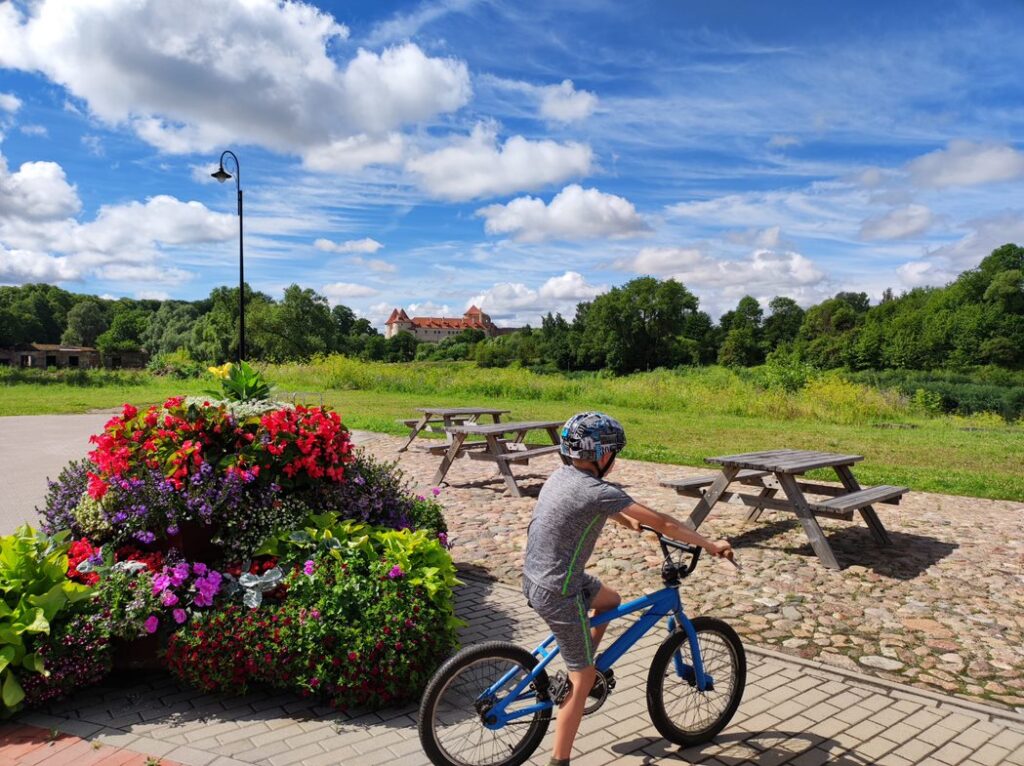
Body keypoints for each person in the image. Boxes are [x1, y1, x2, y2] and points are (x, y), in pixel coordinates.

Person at [522, 412, 734, 766]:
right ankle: (560, 755)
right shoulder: (598, 490)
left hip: (538, 576)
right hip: (559, 590)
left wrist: (625, 518)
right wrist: (711, 545)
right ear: (603, 455)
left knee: (610, 601)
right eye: (613, 453)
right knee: (583, 677)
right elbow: (666, 523)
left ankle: (581, 656)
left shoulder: (563, 476)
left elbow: (600, 506)